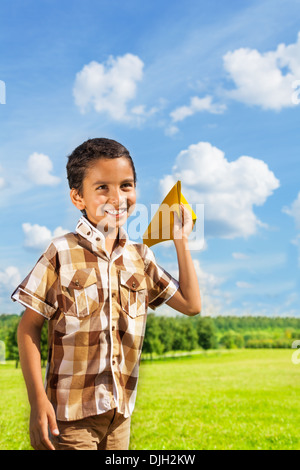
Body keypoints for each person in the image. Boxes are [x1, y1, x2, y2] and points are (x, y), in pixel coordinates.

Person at [12, 138, 201, 451]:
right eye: (102, 187)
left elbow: (192, 305)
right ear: (78, 197)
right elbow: (28, 327)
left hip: (120, 415)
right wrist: (37, 401)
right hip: (70, 417)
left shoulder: (141, 258)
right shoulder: (61, 252)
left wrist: (180, 240)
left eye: (126, 185)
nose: (117, 198)